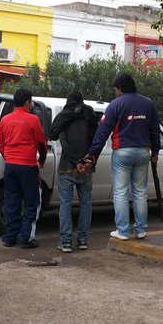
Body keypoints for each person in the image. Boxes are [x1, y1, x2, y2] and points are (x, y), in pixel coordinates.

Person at [82, 73, 161, 240]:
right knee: (140, 192)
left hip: (122, 152)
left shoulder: (115, 105)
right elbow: (155, 130)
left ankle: (123, 231)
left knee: (121, 192)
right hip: (143, 152)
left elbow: (103, 132)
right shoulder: (148, 104)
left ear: (120, 88)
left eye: (116, 89)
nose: (115, 92)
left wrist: (92, 154)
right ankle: (140, 229)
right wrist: (155, 152)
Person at [49, 91, 98, 252]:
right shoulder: (89, 114)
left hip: (67, 166)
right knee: (86, 203)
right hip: (86, 166)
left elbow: (54, 135)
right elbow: (96, 139)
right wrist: (87, 161)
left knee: (65, 204)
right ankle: (83, 240)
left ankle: (66, 242)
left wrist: (76, 162)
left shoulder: (64, 116)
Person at [0, 89, 47, 248]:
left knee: (12, 202)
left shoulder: (5, 120)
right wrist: (42, 161)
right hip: (27, 166)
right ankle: (25, 238)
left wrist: (8, 158)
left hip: (10, 166)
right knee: (32, 202)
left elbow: (1, 143)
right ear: (27, 102)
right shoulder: (33, 120)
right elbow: (41, 143)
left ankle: (9, 237)